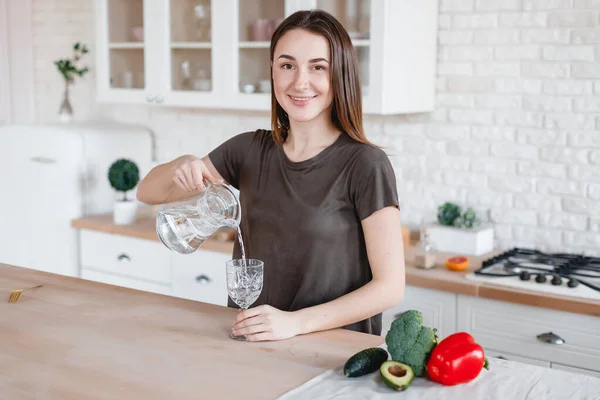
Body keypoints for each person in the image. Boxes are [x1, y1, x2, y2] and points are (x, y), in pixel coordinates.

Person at [136, 9, 406, 341]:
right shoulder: (249, 150)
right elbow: (147, 191)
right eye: (287, 65)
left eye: (317, 67)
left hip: (332, 356)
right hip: (253, 345)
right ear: (273, 73)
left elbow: (390, 288)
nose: (300, 82)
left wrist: (296, 323)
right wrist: (187, 162)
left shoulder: (365, 164)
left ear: (340, 75)